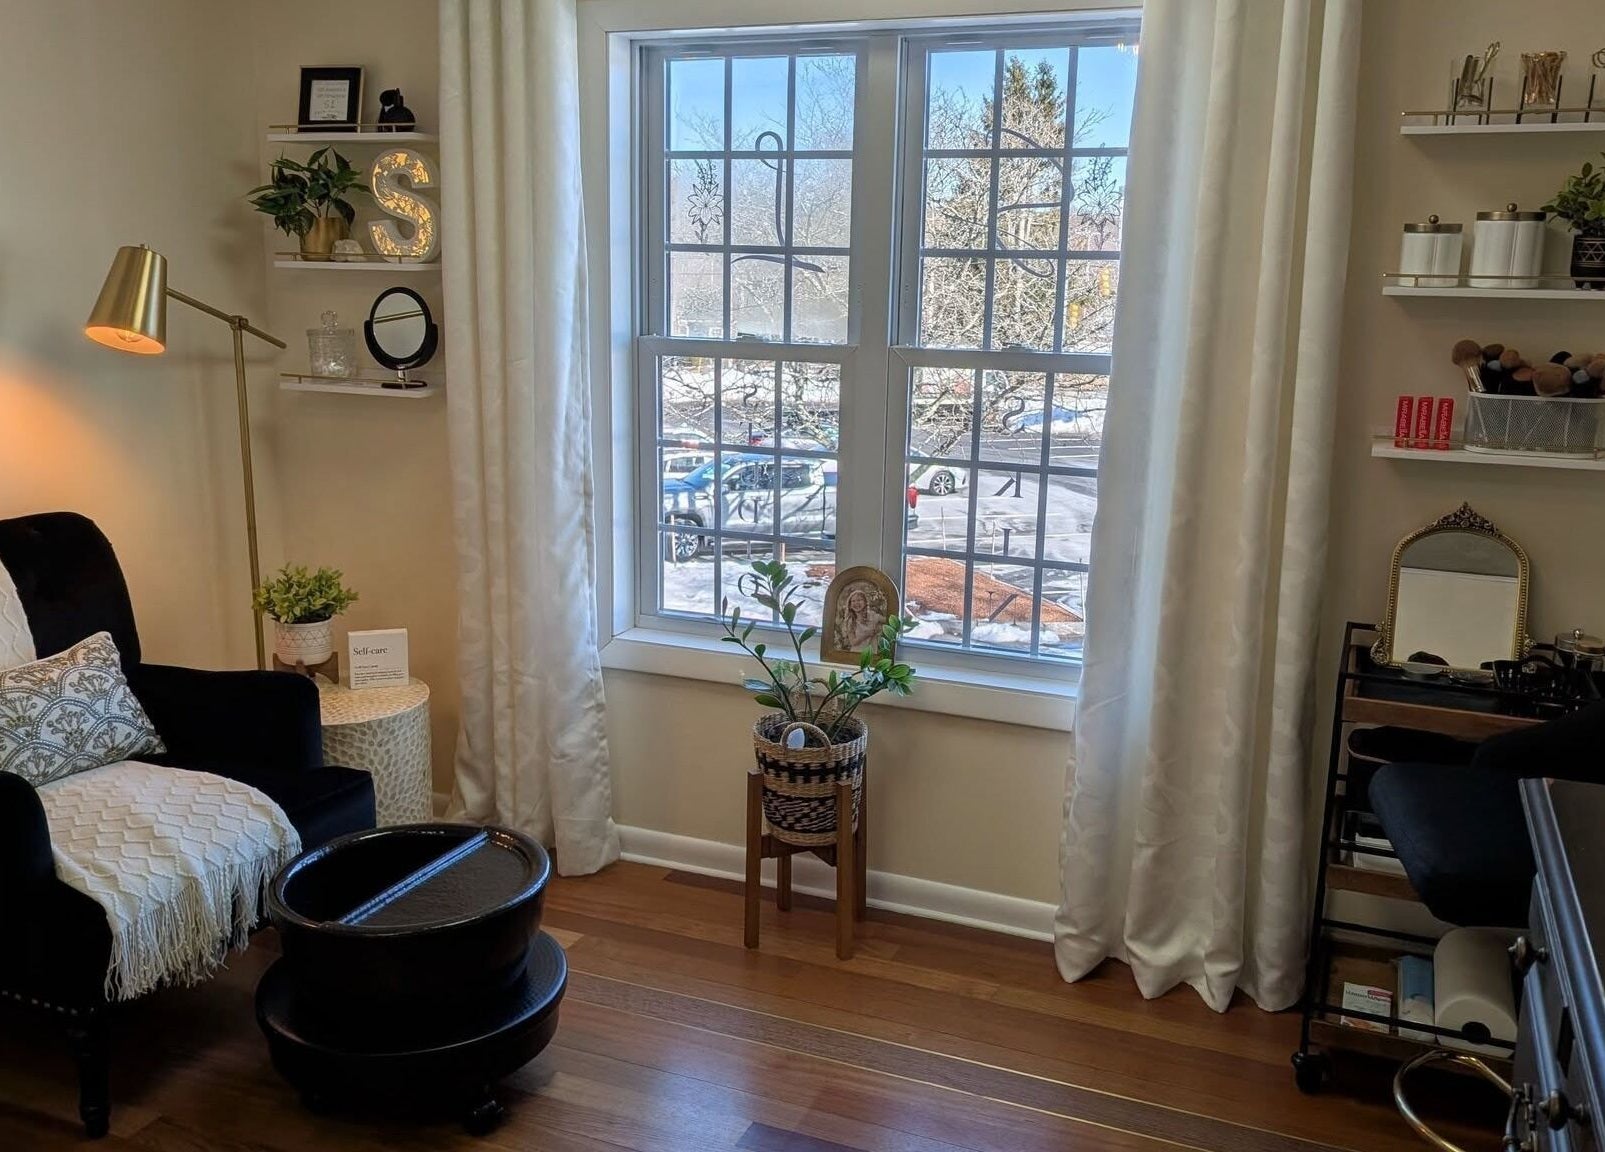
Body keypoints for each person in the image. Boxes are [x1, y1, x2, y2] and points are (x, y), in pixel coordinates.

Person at [838, 586, 886, 651]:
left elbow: (887, 621)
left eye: (859, 600)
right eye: (853, 601)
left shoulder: (873, 615)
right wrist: (866, 634)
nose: (856, 603)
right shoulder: (850, 621)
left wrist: (880, 629)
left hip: (871, 653)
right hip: (856, 653)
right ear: (850, 605)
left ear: (865, 602)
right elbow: (853, 642)